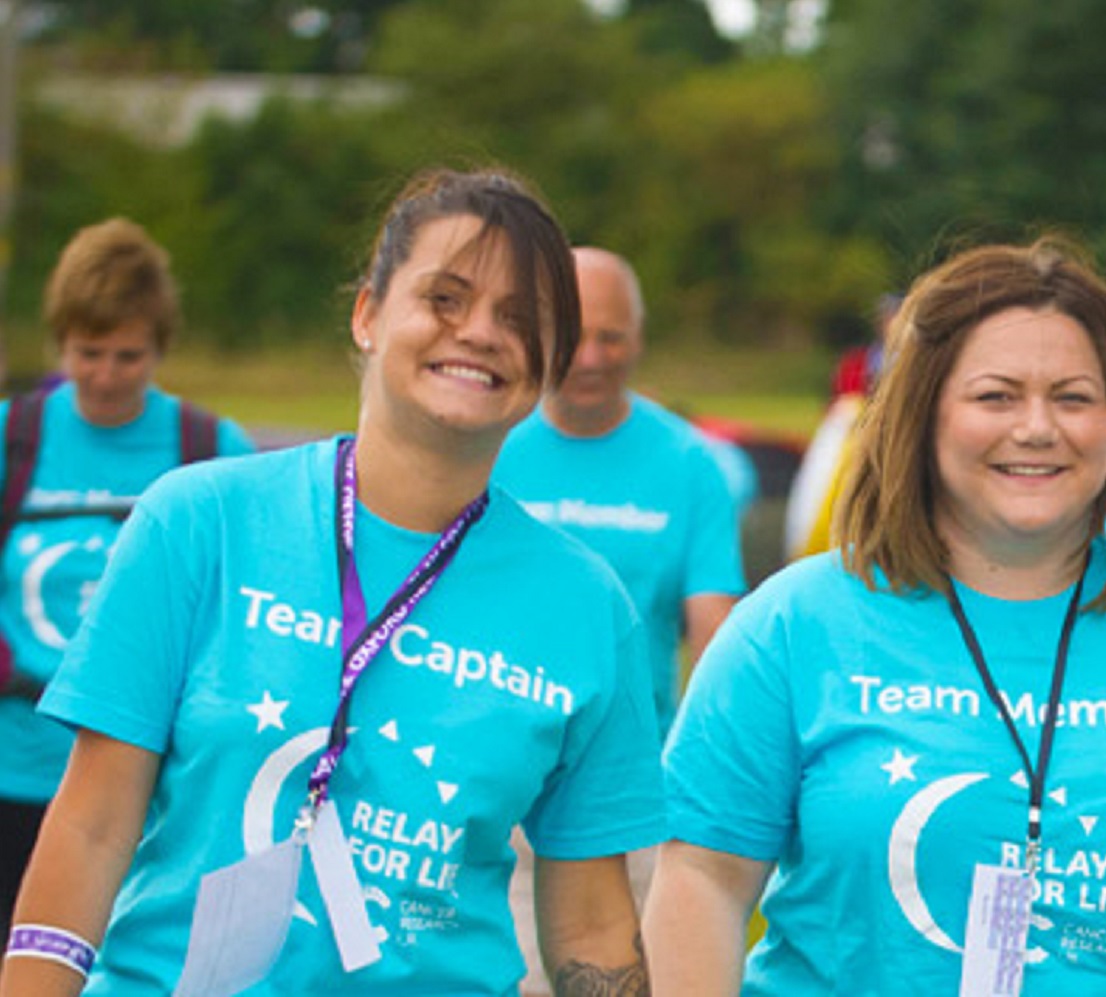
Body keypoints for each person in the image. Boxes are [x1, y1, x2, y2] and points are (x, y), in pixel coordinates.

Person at [2, 169, 666, 994]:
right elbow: (92, 827)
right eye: (446, 299)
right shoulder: (199, 520)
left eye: (520, 319)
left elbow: (593, 925)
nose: (480, 333)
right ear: (368, 315)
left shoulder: (587, 608)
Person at [646, 238, 1106, 994]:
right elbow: (703, 883)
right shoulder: (792, 624)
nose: (1037, 427)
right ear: (924, 416)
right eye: (995, 396)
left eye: (1073, 397)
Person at [492, 245, 745, 994]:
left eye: (611, 336)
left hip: (630, 794)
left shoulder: (688, 463)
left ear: (639, 336)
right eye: (571, 335)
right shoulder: (490, 443)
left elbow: (717, 636)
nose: (591, 357)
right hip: (500, 785)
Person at [0, 218, 257, 924]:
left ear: (159, 348)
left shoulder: (207, 448)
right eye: (89, 353)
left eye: (128, 356)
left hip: (145, 785)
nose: (107, 375)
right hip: (13, 765)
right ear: (61, 340)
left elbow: (241, 608)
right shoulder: (13, 436)